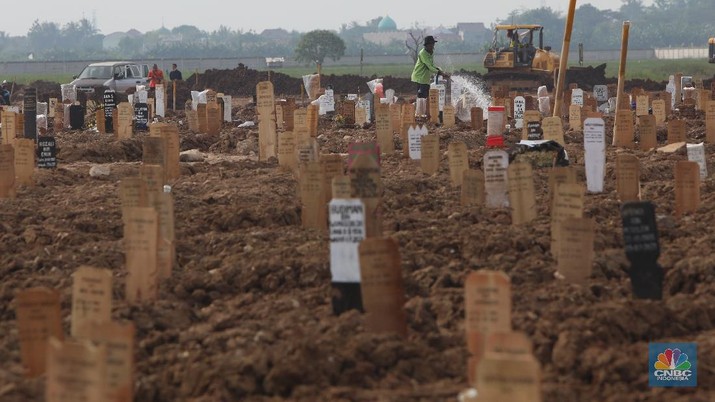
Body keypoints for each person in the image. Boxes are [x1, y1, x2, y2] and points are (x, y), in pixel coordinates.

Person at [410, 35, 449, 100]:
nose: (432, 46)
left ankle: (424, 109)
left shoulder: (431, 52)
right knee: (422, 97)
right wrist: (440, 73)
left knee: (426, 97)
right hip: (420, 77)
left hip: (425, 78)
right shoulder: (423, 53)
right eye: (431, 44)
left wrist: (440, 70)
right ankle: (419, 109)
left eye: (433, 44)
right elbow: (429, 67)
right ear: (426, 45)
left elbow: (432, 65)